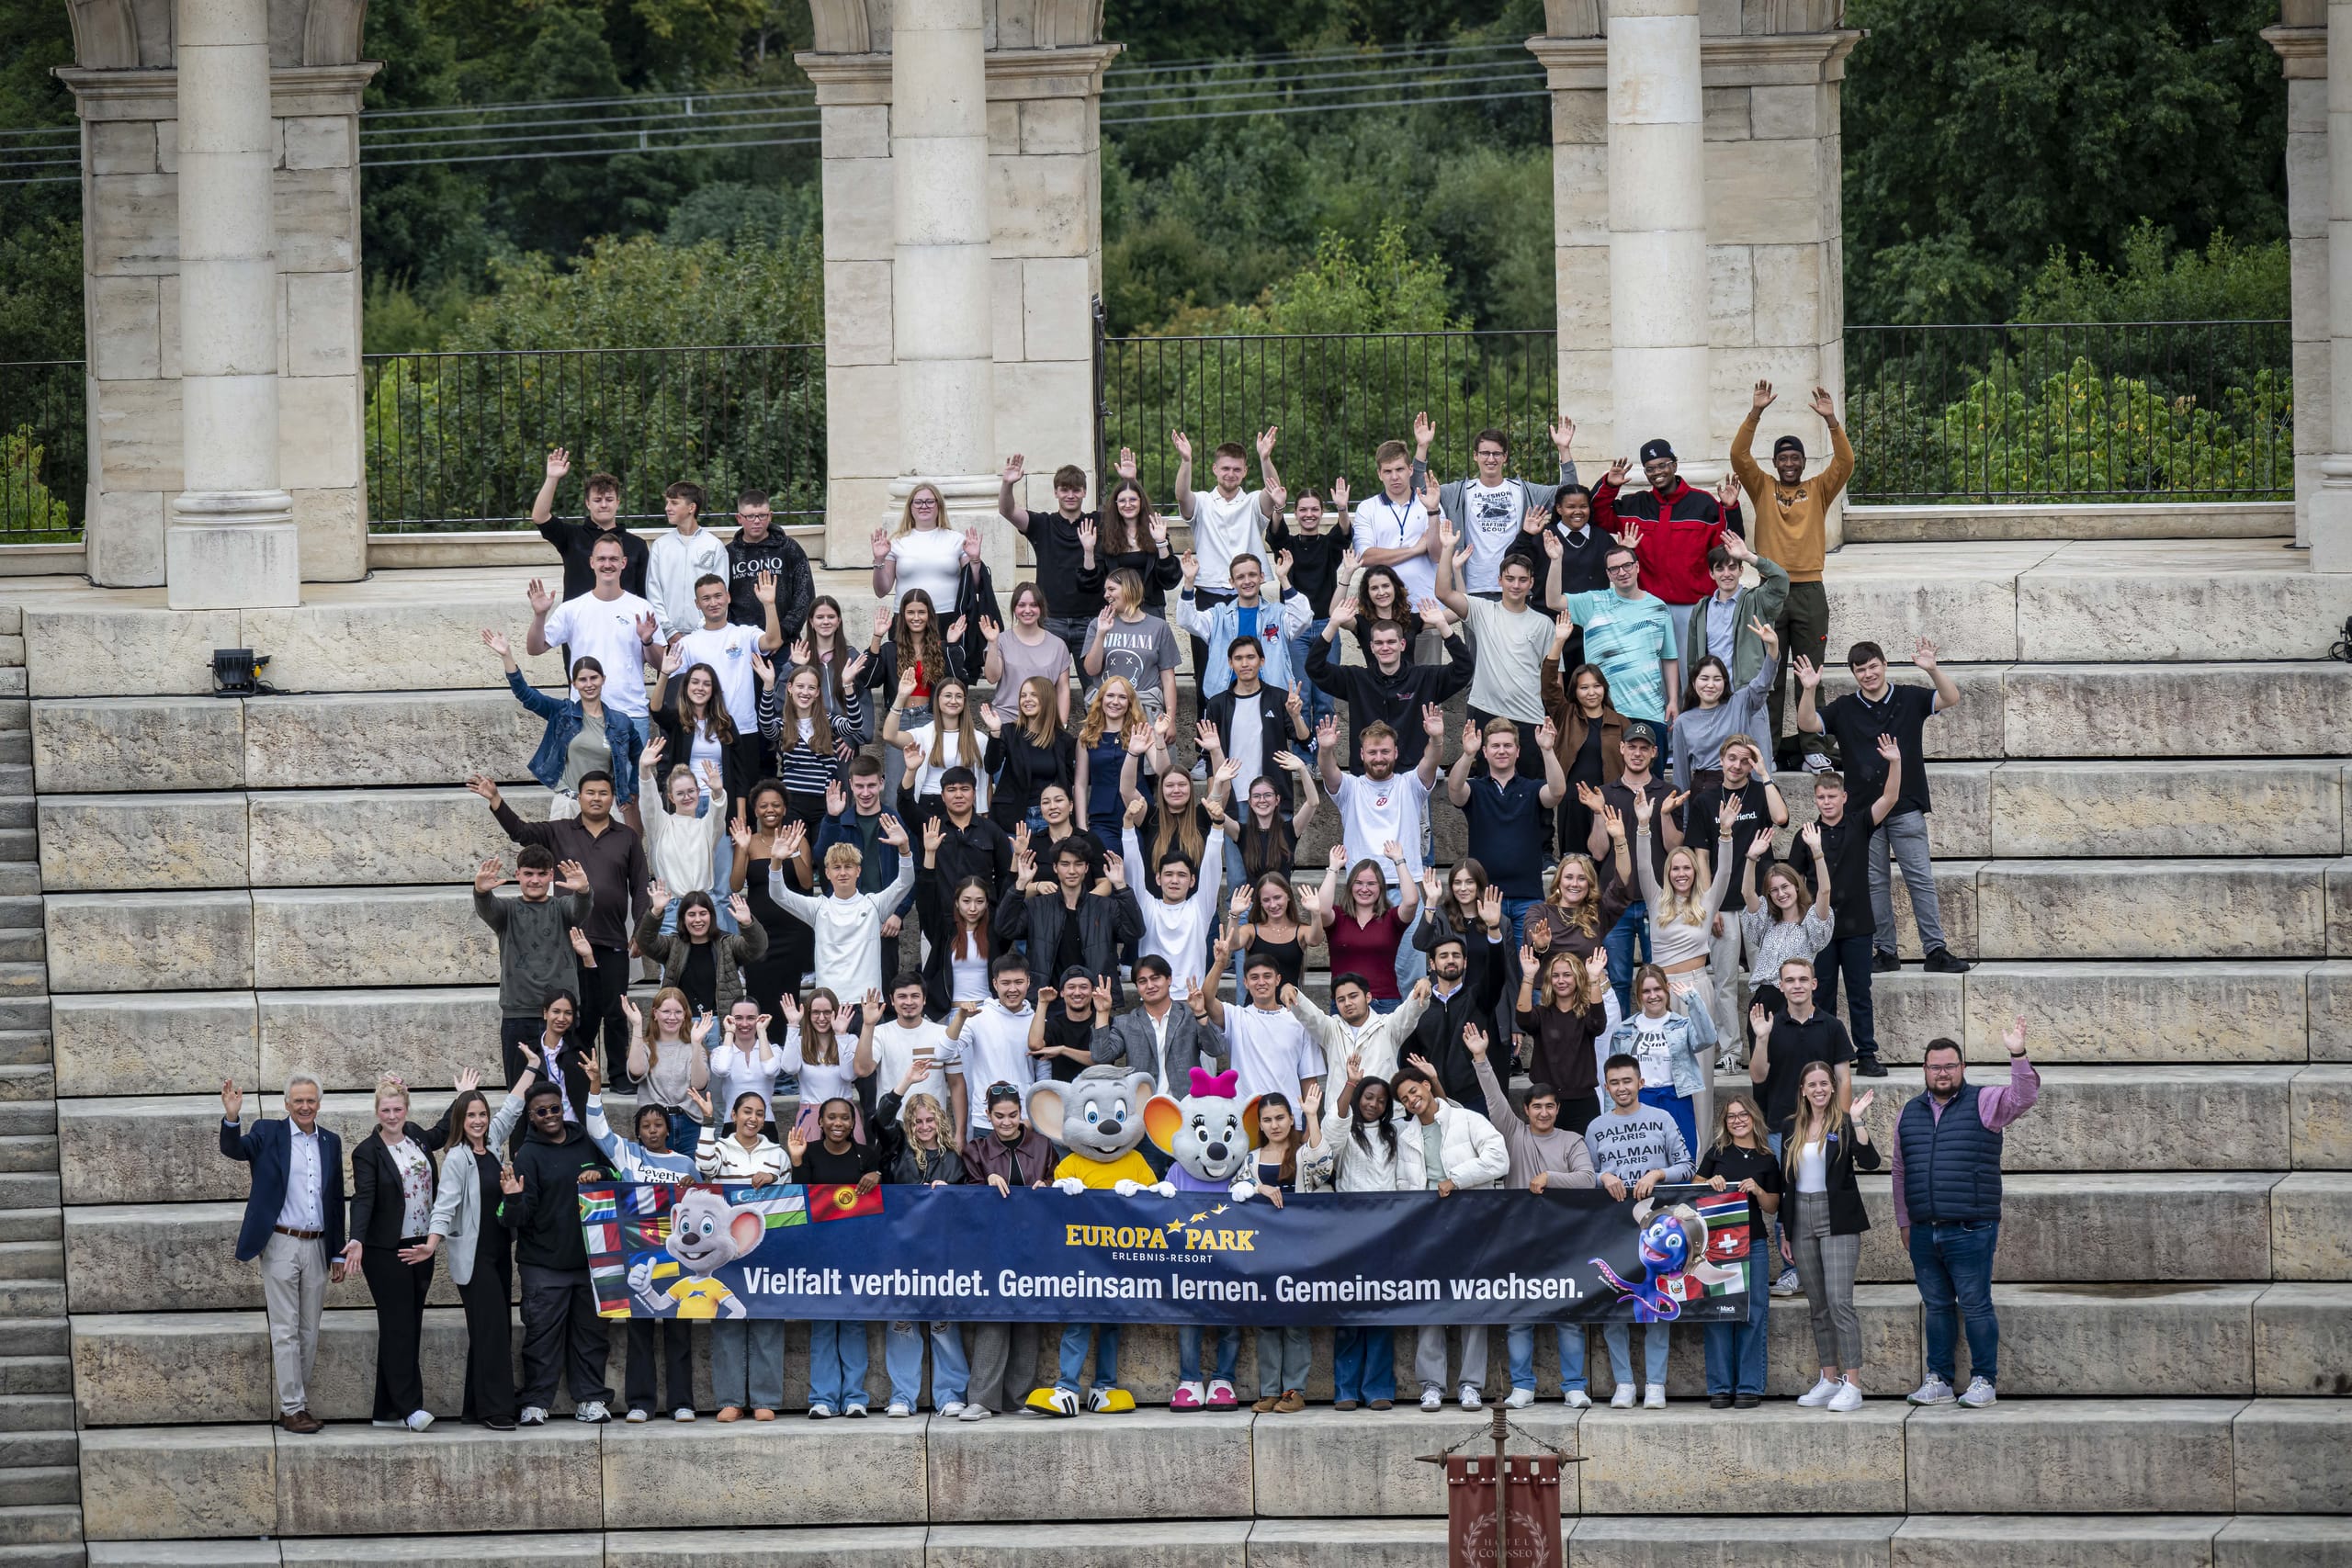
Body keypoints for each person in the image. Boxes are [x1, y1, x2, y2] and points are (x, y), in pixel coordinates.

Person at [1795, 639, 1970, 974]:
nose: (1868, 674)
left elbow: (1951, 698)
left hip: (1905, 806)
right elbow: (1807, 724)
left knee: (1919, 879)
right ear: (1853, 674)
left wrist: (1932, 669)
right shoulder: (1845, 707)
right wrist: (1808, 690)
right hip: (1864, 813)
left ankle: (1935, 950)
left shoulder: (1908, 697)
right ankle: (1886, 951)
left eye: (1873, 666)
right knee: (1875, 883)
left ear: (1884, 665)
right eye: (1860, 670)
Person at [469, 771, 650, 1085]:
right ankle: (578, 1073)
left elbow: (639, 886)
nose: (596, 798)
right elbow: (521, 832)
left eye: (603, 793)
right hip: (570, 940)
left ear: (612, 798)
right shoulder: (560, 831)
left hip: (612, 938)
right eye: (590, 792)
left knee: (616, 1009)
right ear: (579, 797)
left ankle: (619, 1075)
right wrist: (496, 800)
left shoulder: (627, 837)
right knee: (575, 1013)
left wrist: (642, 932)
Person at [1896, 1020, 2040, 1411]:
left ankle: (1983, 1380)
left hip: (1971, 1227)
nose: (1942, 1073)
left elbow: (2024, 1095)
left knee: (1976, 1304)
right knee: (1937, 1307)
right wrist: (1905, 1222)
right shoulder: (1909, 1112)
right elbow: (1900, 1170)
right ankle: (1939, 1379)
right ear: (1924, 1070)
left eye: (1949, 1066)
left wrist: (2017, 1054)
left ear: (1962, 1068)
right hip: (1925, 1230)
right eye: (1934, 1067)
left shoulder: (1985, 1101)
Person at [1470, 1023, 1597, 1410]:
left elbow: (1588, 1179)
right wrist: (1480, 1058)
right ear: (1526, 1111)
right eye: (1536, 1107)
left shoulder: (1572, 1140)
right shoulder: (1514, 1133)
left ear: (1558, 1110)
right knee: (1519, 1316)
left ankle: (1574, 1385)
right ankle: (1523, 1385)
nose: (1543, 1112)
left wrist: (1550, 1178)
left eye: (1549, 1107)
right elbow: (1494, 1100)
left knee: (1570, 1316)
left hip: (1564, 1241)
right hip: (1518, 1240)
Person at [1731, 381, 1851, 765]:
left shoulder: (1817, 489)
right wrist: (1756, 412)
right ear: (1775, 462)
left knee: (1809, 672)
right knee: (1770, 673)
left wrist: (1832, 420)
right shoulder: (1762, 487)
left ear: (1801, 462)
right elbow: (1739, 454)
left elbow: (1845, 462)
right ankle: (1767, 745)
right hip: (1770, 592)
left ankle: (1812, 746)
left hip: (1810, 590)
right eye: (1782, 458)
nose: (1788, 463)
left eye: (1794, 458)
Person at [219, 1073, 345, 1434]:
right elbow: (235, 1149)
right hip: (280, 1243)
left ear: (318, 1104)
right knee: (286, 1328)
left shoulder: (330, 1142)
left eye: (311, 1101)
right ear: (287, 1103)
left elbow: (335, 1201)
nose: (305, 1107)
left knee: (309, 1330)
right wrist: (231, 1118)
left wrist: (337, 1252)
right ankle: (293, 1408)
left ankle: (297, 1404)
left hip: (319, 1245)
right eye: (298, 1101)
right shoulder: (268, 1132)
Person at [576, 1055, 698, 1424]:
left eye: (658, 1124)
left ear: (667, 1129)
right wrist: (595, 1086)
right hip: (637, 1254)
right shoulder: (627, 1153)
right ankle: (641, 1403)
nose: (652, 1130)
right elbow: (597, 1130)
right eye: (645, 1125)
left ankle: (681, 1403)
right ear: (638, 1131)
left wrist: (693, 1188)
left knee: (679, 1327)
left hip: (678, 1256)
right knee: (640, 1330)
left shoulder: (686, 1164)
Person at [1390, 1060, 1508, 1411]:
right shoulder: (1406, 1135)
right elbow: (1402, 1184)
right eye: (1404, 1098)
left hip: (1472, 1223)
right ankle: (1431, 1385)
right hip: (1428, 1230)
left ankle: (1471, 1385)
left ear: (1428, 1085)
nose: (1411, 1100)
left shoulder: (1466, 1119)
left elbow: (1499, 1159)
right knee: (1429, 1304)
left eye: (1414, 1090)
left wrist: (1456, 1179)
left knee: (1473, 1302)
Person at [420, 1068, 533, 1429]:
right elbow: (445, 1205)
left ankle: (472, 1405)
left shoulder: (494, 1144)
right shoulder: (457, 1157)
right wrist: (430, 1245)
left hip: (499, 1252)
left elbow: (513, 1107)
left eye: (482, 1114)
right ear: (460, 1120)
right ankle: (496, 1410)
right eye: (471, 1116)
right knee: (492, 1331)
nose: (479, 1121)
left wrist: (531, 1066)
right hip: (474, 1258)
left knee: (491, 1327)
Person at [500, 1080, 615, 1425]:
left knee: (592, 1337)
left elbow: (618, 1175)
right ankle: (536, 1401)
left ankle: (592, 1399)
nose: (550, 1116)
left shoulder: (586, 1141)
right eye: (541, 1112)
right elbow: (515, 1219)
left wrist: (602, 1173)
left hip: (591, 1260)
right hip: (543, 1264)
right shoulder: (528, 1154)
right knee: (541, 1337)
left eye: (555, 1108)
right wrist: (512, 1197)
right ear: (531, 1117)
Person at [345, 1075, 451, 1432]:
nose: (392, 1115)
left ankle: (385, 1411)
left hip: (423, 1247)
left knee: (408, 1325)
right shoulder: (367, 1151)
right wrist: (356, 1239)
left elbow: (440, 1132)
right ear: (376, 1112)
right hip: (386, 1250)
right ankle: (410, 1408)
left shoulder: (417, 1135)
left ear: (407, 1109)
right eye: (385, 1110)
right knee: (399, 1327)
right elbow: (364, 1198)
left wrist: (463, 1096)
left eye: (398, 1109)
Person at [1584, 1054, 1692, 1407]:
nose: (1621, 1088)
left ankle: (1656, 1384)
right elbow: (1587, 1174)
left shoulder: (1661, 1118)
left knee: (1656, 1304)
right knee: (1614, 1305)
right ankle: (1624, 1383)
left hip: (1657, 1229)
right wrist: (1603, 1177)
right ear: (1605, 1086)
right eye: (1614, 1082)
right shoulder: (1596, 1126)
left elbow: (1687, 1167)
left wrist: (1657, 1175)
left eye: (1627, 1081)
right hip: (1612, 1227)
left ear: (1640, 1083)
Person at [1747, 958, 1857, 1292]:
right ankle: (1792, 1270)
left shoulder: (1832, 1026)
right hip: (1784, 1127)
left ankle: (1823, 1263)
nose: (1796, 985)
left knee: (1825, 1193)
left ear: (1814, 984)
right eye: (1790, 980)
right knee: (1789, 1197)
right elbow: (1757, 1076)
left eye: (1802, 979)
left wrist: (1840, 1125)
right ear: (1780, 986)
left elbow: (1843, 1079)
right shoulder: (1768, 1025)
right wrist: (1762, 1039)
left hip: (1827, 1127)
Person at [1319, 707, 1447, 991]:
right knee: (1362, 972)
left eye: (1385, 751)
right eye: (1373, 752)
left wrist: (1437, 739)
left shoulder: (1410, 785)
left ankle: (1409, 1036)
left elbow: (1430, 761)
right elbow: (1329, 774)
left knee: (1411, 976)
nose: (1379, 758)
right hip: (1362, 892)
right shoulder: (1351, 788)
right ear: (1362, 755)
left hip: (1405, 890)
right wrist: (1326, 750)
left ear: (1396, 753)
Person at [1782, 1063, 1881, 1413]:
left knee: (1840, 1302)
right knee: (1818, 1305)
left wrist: (1857, 1120)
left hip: (1836, 1217)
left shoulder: (1842, 1123)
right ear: (1803, 1090)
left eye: (1825, 1083)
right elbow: (1786, 1184)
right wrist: (1785, 1228)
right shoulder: (1790, 1128)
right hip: (1801, 1217)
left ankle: (1852, 1384)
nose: (1820, 1089)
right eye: (1813, 1084)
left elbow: (1870, 1161)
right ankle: (1828, 1378)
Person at [872, 1069, 970, 1416]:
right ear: (909, 1125)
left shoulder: (954, 1159)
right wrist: (905, 1083)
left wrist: (952, 1195)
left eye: (930, 1120)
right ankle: (902, 1396)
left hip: (941, 1255)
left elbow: (969, 1207)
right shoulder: (897, 1150)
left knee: (943, 1325)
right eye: (917, 1122)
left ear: (939, 1121)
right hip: (901, 1251)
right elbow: (880, 1119)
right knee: (903, 1325)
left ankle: (950, 1395)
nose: (924, 1127)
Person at [1633, 793, 1737, 1108]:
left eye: (1687, 868)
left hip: (1697, 988)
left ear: (1694, 872)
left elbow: (1725, 874)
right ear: (1669, 872)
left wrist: (1726, 834)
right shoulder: (1655, 899)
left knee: (1701, 1076)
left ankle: (1701, 1151)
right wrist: (1642, 826)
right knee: (1662, 1073)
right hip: (1661, 992)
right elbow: (1642, 868)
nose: (1681, 873)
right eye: (1675, 868)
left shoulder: (1707, 902)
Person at [788, 1099, 888, 1418]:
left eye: (845, 1117)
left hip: (856, 1253)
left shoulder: (867, 1155)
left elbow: (882, 1197)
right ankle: (823, 1398)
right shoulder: (811, 1152)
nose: (838, 1122)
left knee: (853, 1326)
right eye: (831, 1117)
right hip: (818, 1253)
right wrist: (797, 1160)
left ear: (853, 1122)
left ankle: (854, 1397)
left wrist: (878, 1177)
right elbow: (799, 1196)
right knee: (823, 1326)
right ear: (821, 1120)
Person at [961, 1083, 1056, 1418]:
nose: (1006, 1122)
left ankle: (1019, 1398)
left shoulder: (1043, 1146)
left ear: (1022, 1114)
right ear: (987, 1116)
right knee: (994, 1316)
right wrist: (983, 1184)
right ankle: (982, 1399)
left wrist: (1048, 1186)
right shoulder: (976, 1150)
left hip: (1034, 1244)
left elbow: (1059, 1184)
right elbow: (965, 1196)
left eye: (1013, 1115)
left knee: (1029, 1317)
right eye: (999, 1116)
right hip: (993, 1245)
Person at [1808, 750, 1905, 1078]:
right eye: (1821, 797)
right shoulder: (1807, 834)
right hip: (1820, 929)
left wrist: (1895, 762)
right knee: (1821, 995)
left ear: (1844, 797)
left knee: (1860, 993)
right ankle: (1826, 1055)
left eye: (1832, 796)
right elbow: (1793, 880)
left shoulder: (1860, 822)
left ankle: (1866, 1054)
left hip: (1858, 926)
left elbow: (1890, 797)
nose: (1826, 802)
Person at [1410, 414, 1581, 599]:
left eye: (1496, 453)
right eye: (1485, 453)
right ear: (1475, 456)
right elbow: (1419, 490)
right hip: (1473, 588)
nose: (1490, 459)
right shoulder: (1458, 492)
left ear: (1505, 457)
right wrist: (1422, 447)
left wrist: (1564, 450)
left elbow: (1568, 495)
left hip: (1516, 586)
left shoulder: (1525, 491)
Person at [695, 1089, 788, 1421]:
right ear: (733, 1115)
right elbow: (703, 1167)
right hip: (726, 1253)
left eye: (759, 1113)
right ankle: (730, 1399)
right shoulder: (719, 1148)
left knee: (767, 1322)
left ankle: (765, 1400)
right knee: (727, 1323)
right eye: (747, 1111)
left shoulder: (777, 1153)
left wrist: (775, 1177)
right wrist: (707, 1121)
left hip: (767, 1249)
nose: (753, 1118)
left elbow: (788, 1201)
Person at [527, 536, 662, 762]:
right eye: (601, 559)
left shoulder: (641, 607)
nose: (607, 564)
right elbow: (535, 648)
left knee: (632, 793)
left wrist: (647, 641)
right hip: (585, 716)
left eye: (613, 559)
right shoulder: (572, 608)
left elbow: (660, 664)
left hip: (631, 714)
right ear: (591, 563)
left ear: (624, 563)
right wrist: (540, 616)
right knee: (589, 794)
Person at [1433, 525, 1559, 763]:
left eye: (1523, 580)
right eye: (1510, 578)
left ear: (1531, 583)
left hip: (1529, 716)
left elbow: (1554, 678)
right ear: (1499, 579)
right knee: (1484, 785)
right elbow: (1442, 593)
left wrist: (1553, 716)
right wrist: (1448, 548)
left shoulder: (1544, 624)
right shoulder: (1482, 610)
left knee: (1528, 788)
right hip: (1485, 712)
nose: (1516, 585)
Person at [485, 631, 641, 818]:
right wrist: (507, 656)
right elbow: (525, 695)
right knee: (561, 849)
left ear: (603, 679)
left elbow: (639, 754)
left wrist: (631, 789)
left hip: (605, 805)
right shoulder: (562, 713)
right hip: (568, 804)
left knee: (613, 848)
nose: (589, 684)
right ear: (573, 683)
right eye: (582, 680)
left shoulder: (620, 722)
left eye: (594, 678)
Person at [1306, 599, 1474, 773]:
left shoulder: (1425, 678)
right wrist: (1332, 625)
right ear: (1371, 647)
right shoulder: (1356, 679)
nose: (1385, 647)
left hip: (1413, 777)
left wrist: (1442, 626)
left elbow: (1464, 669)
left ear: (1402, 645)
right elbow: (1314, 668)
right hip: (1365, 776)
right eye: (1379, 643)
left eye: (1391, 642)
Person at [473, 848, 594, 1084]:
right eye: (529, 873)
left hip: (562, 1016)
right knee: (520, 1094)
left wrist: (583, 890)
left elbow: (579, 910)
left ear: (551, 876)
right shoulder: (506, 911)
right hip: (518, 1017)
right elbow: (488, 908)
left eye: (541, 874)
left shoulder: (561, 908)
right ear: (517, 874)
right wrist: (480, 891)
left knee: (567, 1091)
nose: (535, 880)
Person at [1445, 716, 1567, 945]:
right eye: (1495, 746)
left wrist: (1548, 750)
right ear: (1486, 751)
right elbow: (1454, 790)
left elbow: (1557, 793)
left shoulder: (1532, 789)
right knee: (1491, 972)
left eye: (1508, 745)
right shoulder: (1476, 789)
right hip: (1485, 898)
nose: (1502, 751)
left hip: (1528, 898)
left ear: (1518, 751)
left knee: (1527, 969)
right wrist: (1468, 754)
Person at [1171, 427, 1283, 673]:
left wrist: (1265, 458)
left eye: (1236, 469)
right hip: (1208, 596)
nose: (1230, 474)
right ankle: (1207, 714)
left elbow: (1273, 493)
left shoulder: (1253, 501)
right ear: (1215, 470)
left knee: (1249, 669)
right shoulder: (1201, 501)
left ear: (1244, 472)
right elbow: (1181, 496)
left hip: (1247, 596)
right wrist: (1186, 460)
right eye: (1225, 468)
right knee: (1208, 670)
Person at [767, 819, 916, 1002]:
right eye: (836, 868)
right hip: (830, 1004)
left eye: (848, 867)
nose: (843, 873)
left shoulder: (874, 905)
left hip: (867, 1002)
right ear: (828, 874)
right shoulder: (818, 908)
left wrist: (904, 848)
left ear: (858, 871)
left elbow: (905, 882)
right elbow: (778, 894)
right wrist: (776, 861)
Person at [1698, 1092, 1781, 1411]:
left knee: (1753, 1312)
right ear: (1725, 1122)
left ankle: (1749, 1385)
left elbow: (1773, 1206)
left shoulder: (1766, 1157)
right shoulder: (1717, 1152)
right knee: (1719, 1314)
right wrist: (1711, 1182)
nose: (1737, 1120)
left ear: (1754, 1118)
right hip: (1718, 1246)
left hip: (1754, 1242)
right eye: (1731, 1116)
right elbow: (1694, 1187)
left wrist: (1758, 1189)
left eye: (1743, 1114)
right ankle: (1720, 1387)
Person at [1246, 1088, 1323, 1414]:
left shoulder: (1304, 1151)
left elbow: (1323, 1166)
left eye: (1280, 1118)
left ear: (1290, 1119)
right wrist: (1257, 1187)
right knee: (1266, 1321)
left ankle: (1294, 1390)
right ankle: (1269, 1391)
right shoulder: (1251, 1159)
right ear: (1260, 1125)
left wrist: (1312, 1116)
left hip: (1300, 1248)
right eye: (1267, 1120)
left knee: (1295, 1322)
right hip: (1262, 1251)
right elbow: (1234, 1189)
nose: (1274, 1125)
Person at [998, 837, 1143, 1010]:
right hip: (1049, 1002)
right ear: (1055, 868)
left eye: (1078, 864)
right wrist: (1020, 884)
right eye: (1065, 864)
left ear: (1086, 868)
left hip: (1095, 1002)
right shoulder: (1037, 906)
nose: (1072, 870)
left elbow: (1134, 932)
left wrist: (1121, 886)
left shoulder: (1105, 907)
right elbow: (1004, 928)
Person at [1591, 441, 1742, 607]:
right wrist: (1609, 486)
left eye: (1662, 465)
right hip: (1645, 604)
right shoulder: (1634, 504)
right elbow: (1595, 516)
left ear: (1675, 466)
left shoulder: (1703, 503)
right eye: (1650, 468)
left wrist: (1730, 509)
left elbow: (1730, 545)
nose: (1657, 472)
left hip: (1695, 605)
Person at [1582, 724, 1668, 1007]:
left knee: (1658, 977)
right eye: (1632, 746)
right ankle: (1620, 1044)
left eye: (1644, 747)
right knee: (1617, 979)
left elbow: (1675, 847)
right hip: (1614, 902)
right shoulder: (1604, 793)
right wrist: (1597, 813)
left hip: (1655, 901)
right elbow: (1597, 851)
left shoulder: (1667, 791)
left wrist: (1665, 814)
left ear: (1654, 753)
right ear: (1621, 748)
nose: (1637, 753)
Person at [1737, 823, 1836, 1059]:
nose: (1781, 893)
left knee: (1792, 1066)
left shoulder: (1811, 922)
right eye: (1774, 890)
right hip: (1763, 1000)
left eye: (1785, 887)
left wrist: (1817, 852)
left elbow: (1824, 892)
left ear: (1796, 886)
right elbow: (1747, 894)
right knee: (1763, 1069)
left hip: (1792, 1000)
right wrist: (1751, 858)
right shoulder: (1766, 923)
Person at [1119, 795, 1227, 1003]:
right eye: (1168, 875)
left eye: (1182, 875)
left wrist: (1218, 826)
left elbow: (1212, 866)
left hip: (1191, 1002)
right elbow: (1133, 868)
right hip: (1153, 1002)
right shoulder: (1147, 906)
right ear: (1158, 879)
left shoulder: (1200, 908)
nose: (1174, 881)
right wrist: (1128, 825)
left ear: (1193, 880)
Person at [1602, 962, 1713, 1159]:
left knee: (1682, 1158)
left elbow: (1708, 1038)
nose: (1652, 996)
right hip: (1639, 1100)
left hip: (1675, 1098)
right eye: (1646, 991)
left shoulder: (1681, 1024)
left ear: (1667, 989)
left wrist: (1694, 1001)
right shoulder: (1624, 1030)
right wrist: (1610, 1114)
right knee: (1643, 1158)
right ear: (1639, 995)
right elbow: (1613, 1076)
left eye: (1657, 989)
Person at [999, 456, 1104, 662]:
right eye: (1065, 490)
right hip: (1051, 619)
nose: (1070, 495)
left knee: (1095, 690)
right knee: (1047, 688)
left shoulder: (1097, 522)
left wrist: (1130, 480)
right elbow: (1007, 511)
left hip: (1090, 619)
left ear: (1084, 492)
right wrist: (1007, 484)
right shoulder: (1042, 524)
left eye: (1076, 490)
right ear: (1056, 492)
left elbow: (1131, 510)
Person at [1193, 944, 1324, 1108]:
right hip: (1245, 1118)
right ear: (1245, 983)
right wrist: (1220, 963)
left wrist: (1311, 1124)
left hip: (1289, 1118)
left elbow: (1309, 1078)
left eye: (1267, 976)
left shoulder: (1298, 1022)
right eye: (1254, 978)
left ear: (1278, 980)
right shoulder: (1236, 1016)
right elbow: (1207, 999)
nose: (1261, 982)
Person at [1262, 482, 1348, 731]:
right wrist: (1278, 507)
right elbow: (1275, 533)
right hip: (1294, 629)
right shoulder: (1287, 546)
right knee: (1301, 694)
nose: (1308, 514)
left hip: (1326, 628)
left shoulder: (1329, 545)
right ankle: (1303, 753)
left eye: (1314, 509)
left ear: (1321, 512)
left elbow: (1344, 533)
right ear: (1296, 513)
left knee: (1325, 698)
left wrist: (1343, 508)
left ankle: (1323, 756)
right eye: (1302, 509)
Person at [649, 645, 763, 827]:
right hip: (686, 803)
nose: (700, 688)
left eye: (706, 684)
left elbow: (740, 776)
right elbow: (656, 709)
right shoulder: (678, 721)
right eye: (695, 682)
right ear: (686, 687)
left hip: (719, 802)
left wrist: (741, 816)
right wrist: (664, 673)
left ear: (713, 690)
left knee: (721, 855)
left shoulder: (726, 723)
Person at [666, 570, 785, 739]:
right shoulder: (686, 644)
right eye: (706, 598)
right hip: (705, 731)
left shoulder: (744, 634)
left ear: (728, 597)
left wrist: (769, 604)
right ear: (697, 604)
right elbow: (678, 692)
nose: (713, 602)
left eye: (718, 596)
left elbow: (773, 642)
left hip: (744, 728)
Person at [1516, 946, 1620, 1136]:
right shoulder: (1542, 1014)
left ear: (1577, 979)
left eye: (1567, 975)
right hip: (1547, 1104)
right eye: (1556, 976)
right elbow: (1523, 1019)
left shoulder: (1586, 1014)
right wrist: (1529, 976)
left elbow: (1598, 1024)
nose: (1561, 980)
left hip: (1582, 1102)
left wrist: (1594, 979)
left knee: (1585, 1161)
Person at [1308, 846, 1421, 1016]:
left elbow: (1412, 901)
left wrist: (1399, 861)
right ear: (1350, 886)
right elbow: (1322, 909)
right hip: (1344, 1004)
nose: (1364, 889)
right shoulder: (1338, 917)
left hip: (1384, 1003)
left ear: (1381, 887)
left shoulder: (1391, 918)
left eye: (1371, 884)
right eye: (1359, 883)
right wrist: (1333, 868)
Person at [915, 814, 1005, 1023]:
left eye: (979, 901)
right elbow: (926, 901)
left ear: (987, 903)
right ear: (956, 903)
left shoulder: (995, 931)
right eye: (966, 901)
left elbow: (1009, 898)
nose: (973, 908)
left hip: (990, 1013)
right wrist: (930, 853)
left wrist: (1017, 866)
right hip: (953, 1014)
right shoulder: (946, 931)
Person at [1679, 531, 1789, 704]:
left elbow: (1781, 580)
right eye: (1720, 569)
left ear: (1741, 570)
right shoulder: (1702, 608)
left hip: (1747, 692)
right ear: (1711, 574)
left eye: (1732, 567)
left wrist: (1748, 556)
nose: (1726, 574)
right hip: (1712, 695)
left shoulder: (1756, 599)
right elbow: (1693, 660)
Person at [634, 735, 729, 925]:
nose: (686, 797)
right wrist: (644, 771)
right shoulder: (661, 825)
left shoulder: (706, 827)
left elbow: (718, 814)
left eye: (691, 791)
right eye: (680, 793)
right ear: (671, 797)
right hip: (671, 909)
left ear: (698, 791)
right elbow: (649, 803)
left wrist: (718, 792)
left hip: (704, 907)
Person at [634, 882, 763, 1021]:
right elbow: (645, 942)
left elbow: (757, 948)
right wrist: (656, 911)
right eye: (691, 914)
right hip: (682, 1024)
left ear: (711, 916)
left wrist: (748, 923)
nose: (697, 920)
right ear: (683, 918)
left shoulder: (727, 943)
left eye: (703, 913)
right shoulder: (673, 945)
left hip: (720, 1025)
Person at [1101, 953, 1227, 1091]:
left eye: (1155, 978)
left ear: (1169, 979)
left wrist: (1200, 1013)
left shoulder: (1190, 1016)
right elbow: (1102, 1057)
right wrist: (1102, 1012)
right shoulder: (1126, 1023)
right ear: (1137, 987)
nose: (1150, 986)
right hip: (1143, 1104)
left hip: (1185, 1103)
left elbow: (1216, 1050)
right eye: (1142, 981)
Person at [949, 956, 1043, 1139]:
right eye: (1006, 983)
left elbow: (1044, 1075)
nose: (1012, 989)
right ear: (995, 983)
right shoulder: (978, 1017)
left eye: (1019, 982)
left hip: (1024, 1121)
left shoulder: (1038, 1021)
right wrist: (960, 1018)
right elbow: (944, 1053)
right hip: (986, 1122)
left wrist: (1033, 1118)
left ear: (1028, 982)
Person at [533, 450, 648, 600]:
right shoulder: (571, 537)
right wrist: (552, 478)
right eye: (598, 500)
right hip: (578, 620)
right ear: (587, 503)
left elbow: (643, 594)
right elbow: (540, 517)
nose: (604, 504)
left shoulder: (637, 545)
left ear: (618, 502)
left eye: (609, 499)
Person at [1669, 638, 1780, 790]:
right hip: (1704, 790)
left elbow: (1763, 683)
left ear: (1725, 683)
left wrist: (1773, 646)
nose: (1710, 685)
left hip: (1740, 785)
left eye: (1717, 679)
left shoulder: (1740, 702)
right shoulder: (1683, 721)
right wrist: (1683, 813)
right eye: (1704, 678)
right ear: (1694, 683)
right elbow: (1681, 774)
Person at [1542, 656, 1623, 857]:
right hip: (1573, 801)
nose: (1591, 692)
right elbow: (1548, 685)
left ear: (1604, 688)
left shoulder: (1621, 722)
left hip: (1608, 801)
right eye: (1584, 688)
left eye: (1596, 686)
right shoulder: (1565, 715)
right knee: (1575, 863)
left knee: (1606, 864)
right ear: (1575, 692)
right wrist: (1558, 642)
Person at [887, 674, 992, 822]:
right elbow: (890, 736)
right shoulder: (923, 734)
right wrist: (901, 697)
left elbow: (984, 782)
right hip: (928, 805)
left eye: (959, 696)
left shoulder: (979, 739)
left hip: (964, 807)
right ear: (937, 700)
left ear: (964, 701)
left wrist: (983, 815)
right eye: (948, 696)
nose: (953, 701)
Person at [872, 971, 965, 1139]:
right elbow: (862, 1069)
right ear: (892, 1000)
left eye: (915, 996)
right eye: (902, 996)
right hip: (894, 1130)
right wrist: (867, 1025)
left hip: (933, 1128)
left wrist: (960, 1133)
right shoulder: (879, 1033)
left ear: (924, 999)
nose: (909, 1002)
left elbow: (957, 1083)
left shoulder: (943, 1034)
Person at [1082, 575, 1182, 725]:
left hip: (1145, 712)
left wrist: (1171, 720)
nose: (1106, 595)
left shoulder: (1159, 627)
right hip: (1107, 711)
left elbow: (1168, 678)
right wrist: (1101, 634)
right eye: (1105, 590)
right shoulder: (1098, 624)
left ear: (1130, 590)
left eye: (1111, 589)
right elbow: (1091, 670)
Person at [872, 482, 979, 619]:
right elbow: (881, 591)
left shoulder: (957, 540)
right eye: (918, 502)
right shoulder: (895, 542)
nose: (924, 506)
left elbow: (974, 586)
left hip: (950, 617)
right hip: (908, 618)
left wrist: (975, 559)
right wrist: (879, 560)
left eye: (930, 502)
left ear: (939, 505)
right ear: (910, 507)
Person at [985, 675, 1078, 834]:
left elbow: (1068, 781)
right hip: (1013, 817)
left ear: (1047, 698)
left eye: (1034, 695)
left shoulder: (1064, 740)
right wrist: (995, 732)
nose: (1027, 700)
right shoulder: (1008, 731)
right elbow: (991, 766)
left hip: (1049, 817)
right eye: (1023, 695)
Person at [1351, 438, 1441, 603]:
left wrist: (1433, 512)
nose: (1394, 477)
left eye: (1400, 469)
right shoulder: (1367, 508)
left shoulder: (1430, 504)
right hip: (1383, 609)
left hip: (1427, 606)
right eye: (1387, 471)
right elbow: (1364, 557)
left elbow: (1438, 555)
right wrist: (1414, 550)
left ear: (1411, 469)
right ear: (1379, 474)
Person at [724, 489, 814, 646]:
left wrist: (782, 634)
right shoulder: (728, 554)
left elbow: (804, 597)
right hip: (742, 643)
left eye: (762, 515)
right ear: (739, 518)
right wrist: (736, 635)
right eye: (750, 516)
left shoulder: (789, 549)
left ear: (770, 516)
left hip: (785, 643)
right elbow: (722, 599)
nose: (757, 521)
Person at [643, 481, 729, 644]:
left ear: (691, 508)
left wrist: (701, 630)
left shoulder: (714, 545)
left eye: (674, 503)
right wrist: (669, 632)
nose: (667, 508)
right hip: (667, 638)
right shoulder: (660, 546)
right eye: (667, 502)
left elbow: (720, 592)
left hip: (706, 635)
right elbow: (653, 590)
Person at [1097, 461, 1185, 614]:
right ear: (1116, 504)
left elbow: (1170, 580)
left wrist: (1161, 543)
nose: (1128, 504)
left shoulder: (1156, 532)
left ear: (1141, 502)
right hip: (1117, 610)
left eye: (1133, 500)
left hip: (1151, 609)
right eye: (1122, 500)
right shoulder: (1106, 536)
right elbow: (1098, 580)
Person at [984, 582, 1075, 727]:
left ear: (1041, 608)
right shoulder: (1001, 640)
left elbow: (1063, 689)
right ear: (1014, 608)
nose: (1027, 610)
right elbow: (992, 677)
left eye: (1033, 605)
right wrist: (992, 643)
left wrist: (1062, 725)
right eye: (1021, 605)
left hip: (1043, 723)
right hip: (1006, 720)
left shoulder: (1058, 645)